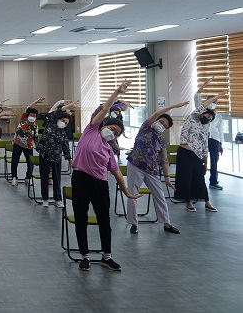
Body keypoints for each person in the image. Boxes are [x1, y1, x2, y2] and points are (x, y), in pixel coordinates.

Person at [71, 80, 141, 272]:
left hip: (100, 184)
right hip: (80, 179)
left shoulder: (108, 150)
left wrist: (127, 192)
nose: (113, 133)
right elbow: (104, 109)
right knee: (81, 218)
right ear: (104, 124)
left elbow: (116, 172)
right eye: (112, 128)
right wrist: (117, 91)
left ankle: (107, 256)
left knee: (104, 219)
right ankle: (84, 256)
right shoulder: (91, 130)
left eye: (116, 133)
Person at [125, 101, 188, 235]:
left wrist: (167, 178)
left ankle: (166, 223)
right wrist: (173, 106)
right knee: (133, 193)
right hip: (136, 164)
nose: (162, 125)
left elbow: (164, 161)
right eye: (161, 122)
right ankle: (133, 223)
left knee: (159, 195)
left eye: (165, 126)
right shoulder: (145, 128)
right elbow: (156, 113)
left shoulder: (161, 141)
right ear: (156, 120)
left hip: (151, 169)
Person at [175, 79, 225, 212]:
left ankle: (207, 202)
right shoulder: (193, 117)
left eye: (210, 119)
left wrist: (205, 162)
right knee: (187, 178)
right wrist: (217, 96)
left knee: (200, 179)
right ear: (202, 113)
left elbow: (204, 145)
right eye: (207, 116)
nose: (208, 119)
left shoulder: (205, 127)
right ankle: (188, 201)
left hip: (197, 155)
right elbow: (202, 103)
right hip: (185, 152)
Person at [36, 100, 78, 207]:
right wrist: (69, 105)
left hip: (56, 157)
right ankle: (45, 198)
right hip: (45, 154)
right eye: (63, 121)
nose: (64, 123)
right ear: (58, 119)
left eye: (66, 123)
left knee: (57, 178)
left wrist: (70, 159)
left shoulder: (63, 134)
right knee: (44, 177)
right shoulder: (50, 123)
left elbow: (66, 147)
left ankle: (57, 199)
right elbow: (57, 111)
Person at [11, 97, 44, 187]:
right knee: (15, 161)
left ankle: (28, 178)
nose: (32, 117)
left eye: (34, 116)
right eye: (31, 115)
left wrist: (38, 148)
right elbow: (28, 107)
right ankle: (14, 178)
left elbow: (36, 139)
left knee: (30, 163)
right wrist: (37, 101)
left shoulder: (35, 127)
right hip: (17, 144)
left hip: (28, 146)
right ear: (28, 115)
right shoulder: (23, 120)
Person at [207, 93, 224, 190]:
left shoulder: (218, 116)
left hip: (215, 139)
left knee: (214, 161)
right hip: (203, 138)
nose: (212, 103)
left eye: (214, 101)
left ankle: (213, 181)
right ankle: (197, 180)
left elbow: (220, 130)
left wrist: (221, 144)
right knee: (199, 160)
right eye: (211, 101)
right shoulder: (201, 113)